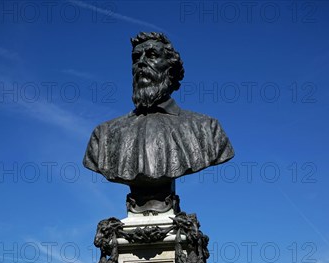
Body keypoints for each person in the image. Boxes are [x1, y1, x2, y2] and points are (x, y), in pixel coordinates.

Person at [83, 32, 234, 209]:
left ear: (171, 70)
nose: (141, 62)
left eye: (152, 55)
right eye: (136, 57)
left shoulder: (206, 128)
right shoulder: (104, 134)